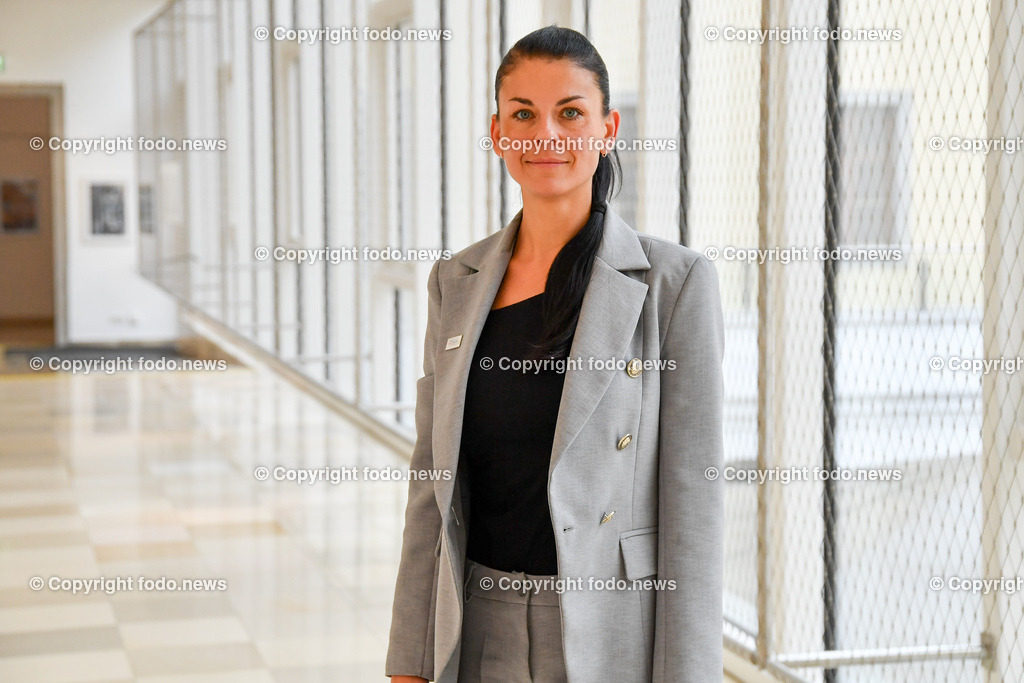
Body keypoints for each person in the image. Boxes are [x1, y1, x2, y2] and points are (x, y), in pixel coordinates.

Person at [386, 25, 724, 682]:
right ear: (497, 133)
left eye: (570, 112)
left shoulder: (674, 284)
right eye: (523, 114)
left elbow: (693, 507)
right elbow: (432, 487)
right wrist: (409, 661)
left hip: (612, 637)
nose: (545, 135)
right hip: (478, 630)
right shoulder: (454, 283)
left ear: (607, 127)